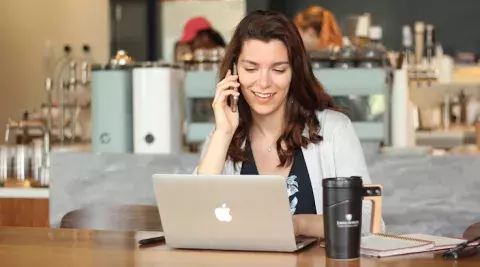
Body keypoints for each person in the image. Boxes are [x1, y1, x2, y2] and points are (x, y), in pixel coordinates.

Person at [192, 10, 385, 238]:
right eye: (251, 68)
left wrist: (298, 224)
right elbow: (195, 219)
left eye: (278, 70)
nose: (263, 83)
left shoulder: (334, 130)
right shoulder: (223, 135)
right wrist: (224, 132)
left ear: (294, 71)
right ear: (233, 72)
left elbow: (367, 221)